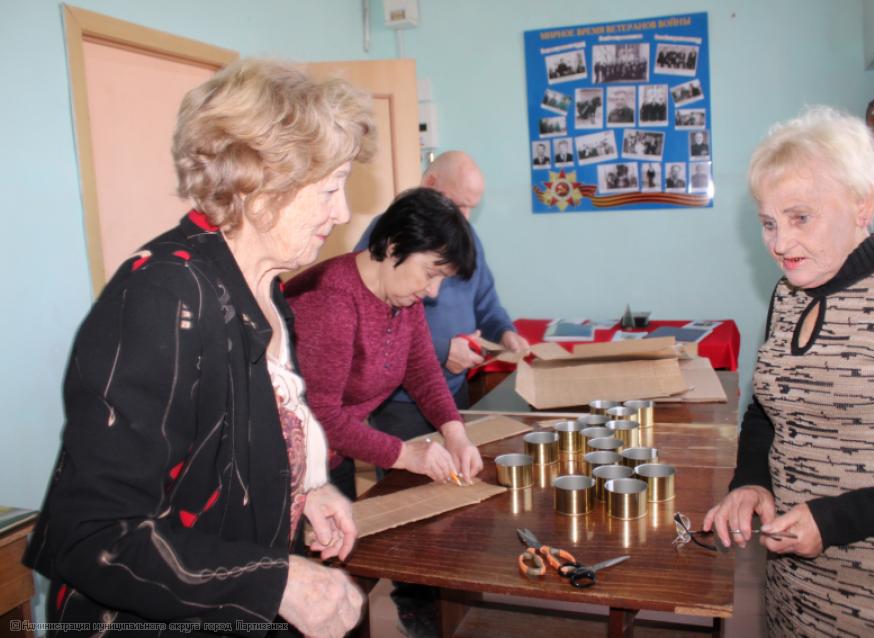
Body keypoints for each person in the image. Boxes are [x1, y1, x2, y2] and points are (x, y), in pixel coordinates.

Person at [22, 59, 376, 637]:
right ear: (261, 182)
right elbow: (94, 536)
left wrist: (304, 491)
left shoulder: (263, 288)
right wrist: (276, 582)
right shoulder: (164, 296)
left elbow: (233, 449)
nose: (341, 212)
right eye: (331, 188)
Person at [703, 106, 874, 636]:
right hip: (794, 575)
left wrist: (835, 520)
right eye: (769, 222)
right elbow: (767, 411)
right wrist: (750, 482)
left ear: (861, 204)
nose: (779, 244)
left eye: (800, 218)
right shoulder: (788, 294)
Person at [285, 187, 483, 501]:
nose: (433, 291)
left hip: (332, 455)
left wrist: (455, 432)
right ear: (394, 246)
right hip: (285, 465)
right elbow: (320, 413)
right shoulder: (331, 301)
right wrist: (405, 455)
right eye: (431, 273)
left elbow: (422, 370)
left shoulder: (404, 297)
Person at [356, 151, 529, 440]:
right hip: (401, 402)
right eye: (458, 204)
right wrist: (441, 350)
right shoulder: (391, 232)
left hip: (453, 390)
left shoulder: (466, 235)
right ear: (430, 183)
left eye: (471, 207)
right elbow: (371, 324)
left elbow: (485, 302)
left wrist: (504, 332)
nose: (464, 217)